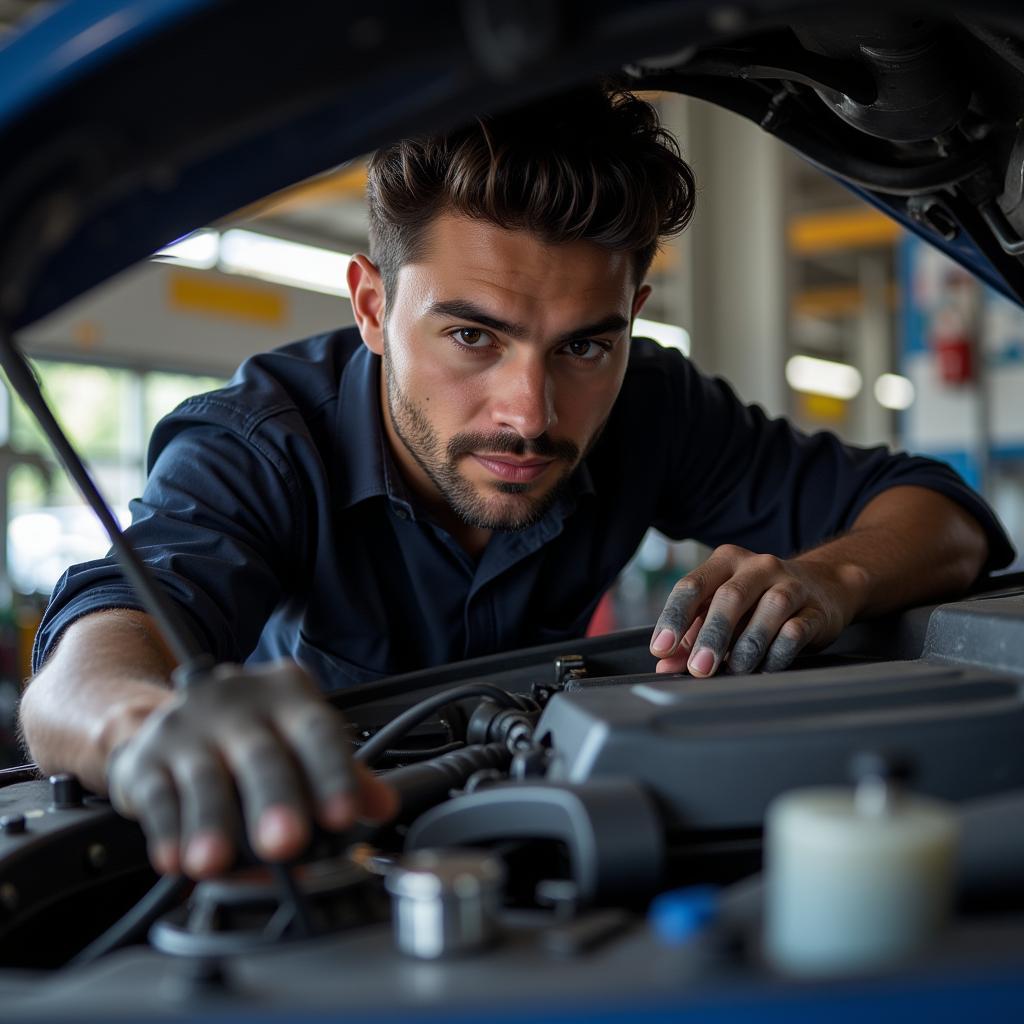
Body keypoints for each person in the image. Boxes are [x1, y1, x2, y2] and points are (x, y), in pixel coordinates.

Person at [19, 87, 1014, 882]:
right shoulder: (263, 442)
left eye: (586, 343)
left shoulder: (650, 409)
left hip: (569, 833)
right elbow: (82, 668)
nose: (530, 411)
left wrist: (832, 575)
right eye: (471, 335)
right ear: (371, 306)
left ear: (634, 311)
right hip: (320, 861)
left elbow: (944, 517)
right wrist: (149, 729)